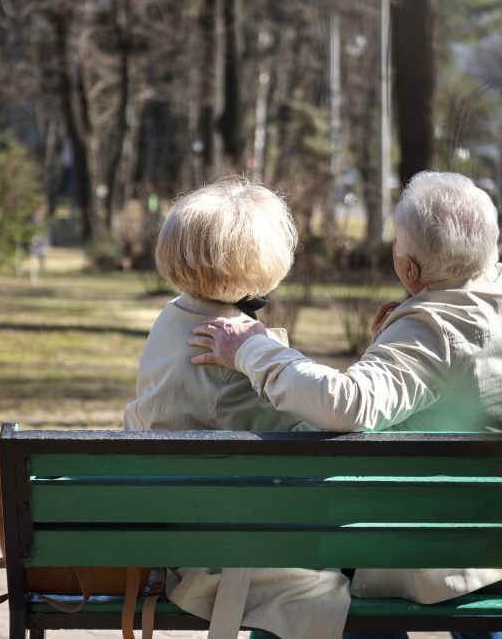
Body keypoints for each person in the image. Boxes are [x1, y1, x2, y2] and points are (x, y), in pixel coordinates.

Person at [190, 171, 502, 639]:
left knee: (309, 573)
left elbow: (348, 406)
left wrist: (252, 349)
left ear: (410, 268)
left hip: (488, 553)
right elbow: (464, 390)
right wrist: (391, 341)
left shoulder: (433, 331)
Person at [125, 177, 351, 639]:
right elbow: (314, 442)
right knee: (359, 585)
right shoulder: (232, 352)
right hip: (222, 554)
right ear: (265, 261)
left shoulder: (171, 319)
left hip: (176, 530)